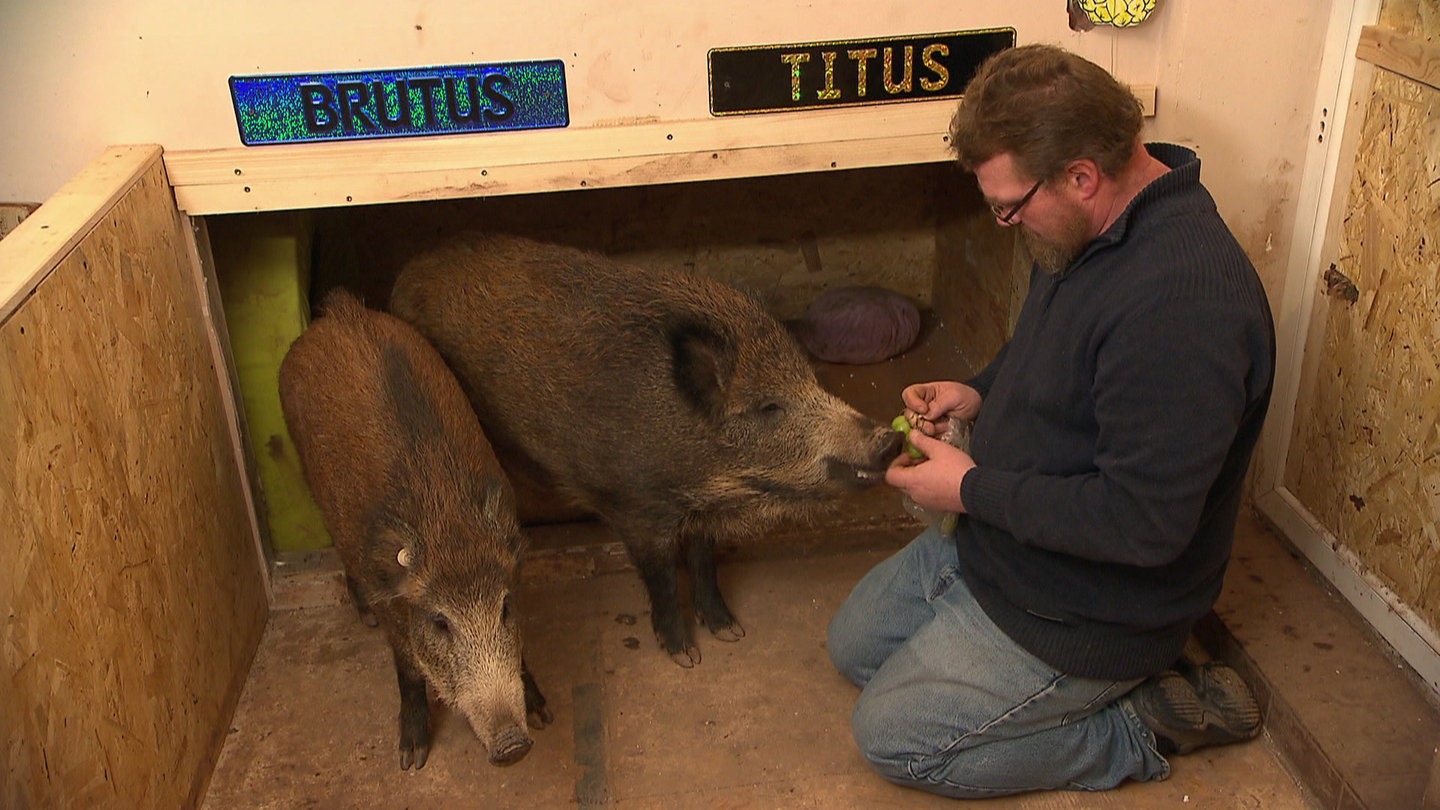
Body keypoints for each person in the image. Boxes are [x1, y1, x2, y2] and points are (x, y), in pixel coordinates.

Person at [827, 43, 1277, 798]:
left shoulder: (1182, 311)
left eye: (1009, 204)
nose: (1004, 221)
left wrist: (969, 491)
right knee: (853, 648)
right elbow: (1050, 351)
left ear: (1082, 175)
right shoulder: (1086, 228)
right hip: (1006, 542)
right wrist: (978, 394)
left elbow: (1143, 525)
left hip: (1090, 608)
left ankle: (1138, 725)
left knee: (895, 740)